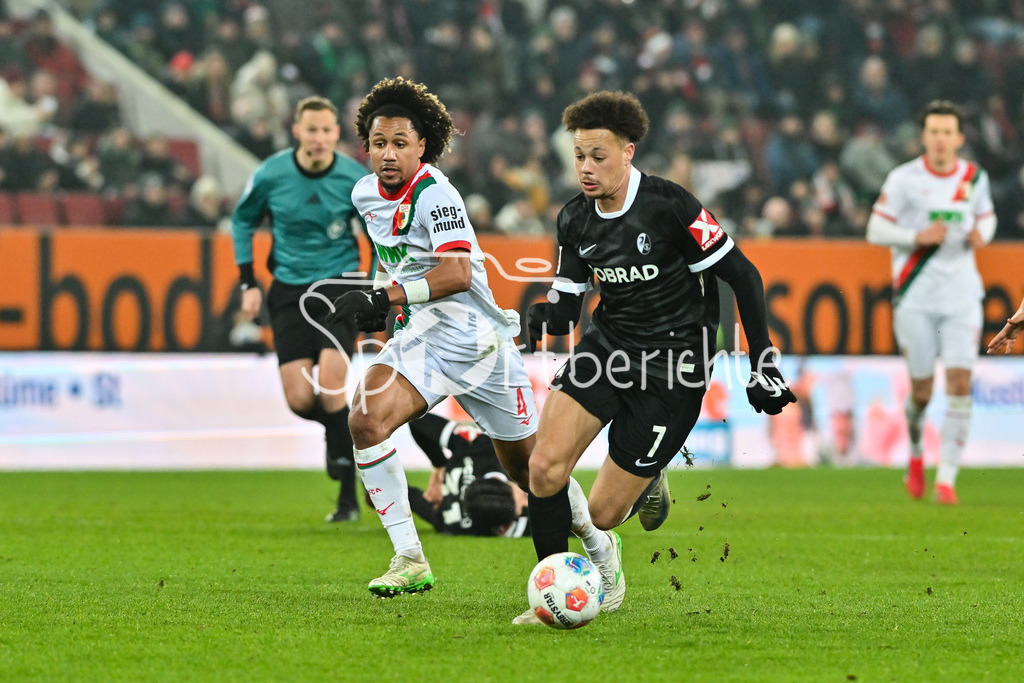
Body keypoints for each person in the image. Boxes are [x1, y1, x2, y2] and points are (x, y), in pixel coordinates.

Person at [517, 90, 796, 624]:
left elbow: (743, 275)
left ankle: (646, 480)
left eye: (598, 155)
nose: (586, 167)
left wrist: (763, 362)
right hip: (609, 348)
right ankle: (553, 593)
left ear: (629, 151)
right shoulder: (575, 219)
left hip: (675, 368)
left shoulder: (671, 206)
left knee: (602, 512)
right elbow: (569, 304)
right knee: (545, 467)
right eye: (579, 155)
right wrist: (545, 316)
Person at [334, 77, 617, 601]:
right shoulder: (364, 194)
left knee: (534, 472)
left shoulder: (437, 194)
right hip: (423, 338)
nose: (388, 153)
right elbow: (393, 257)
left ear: (423, 146)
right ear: (365, 146)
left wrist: (387, 297)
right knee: (365, 419)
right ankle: (409, 557)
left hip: (480, 345)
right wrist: (384, 301)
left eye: (400, 142)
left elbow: (458, 273)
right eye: (379, 143)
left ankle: (599, 546)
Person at [231, 95, 369, 523]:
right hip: (288, 289)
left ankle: (348, 498)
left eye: (327, 130)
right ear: (296, 131)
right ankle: (336, 436)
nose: (319, 139)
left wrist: (379, 282)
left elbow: (377, 230)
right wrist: (248, 280)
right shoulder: (271, 174)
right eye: (311, 130)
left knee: (331, 385)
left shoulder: (353, 177)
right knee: (299, 398)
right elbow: (242, 220)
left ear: (336, 134)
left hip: (339, 285)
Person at [867, 100, 996, 505]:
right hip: (915, 297)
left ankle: (948, 479)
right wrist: (915, 237)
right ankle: (918, 452)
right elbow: (874, 229)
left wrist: (984, 235)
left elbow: (986, 216)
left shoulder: (974, 178)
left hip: (961, 295)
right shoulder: (904, 179)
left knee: (960, 382)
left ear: (959, 138)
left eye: (947, 132)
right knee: (921, 393)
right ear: (924, 137)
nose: (940, 140)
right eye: (934, 132)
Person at [406, 412, 530, 537]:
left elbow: (417, 420)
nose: (527, 502)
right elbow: (405, 495)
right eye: (524, 499)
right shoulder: (451, 522)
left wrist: (439, 464)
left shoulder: (481, 447)